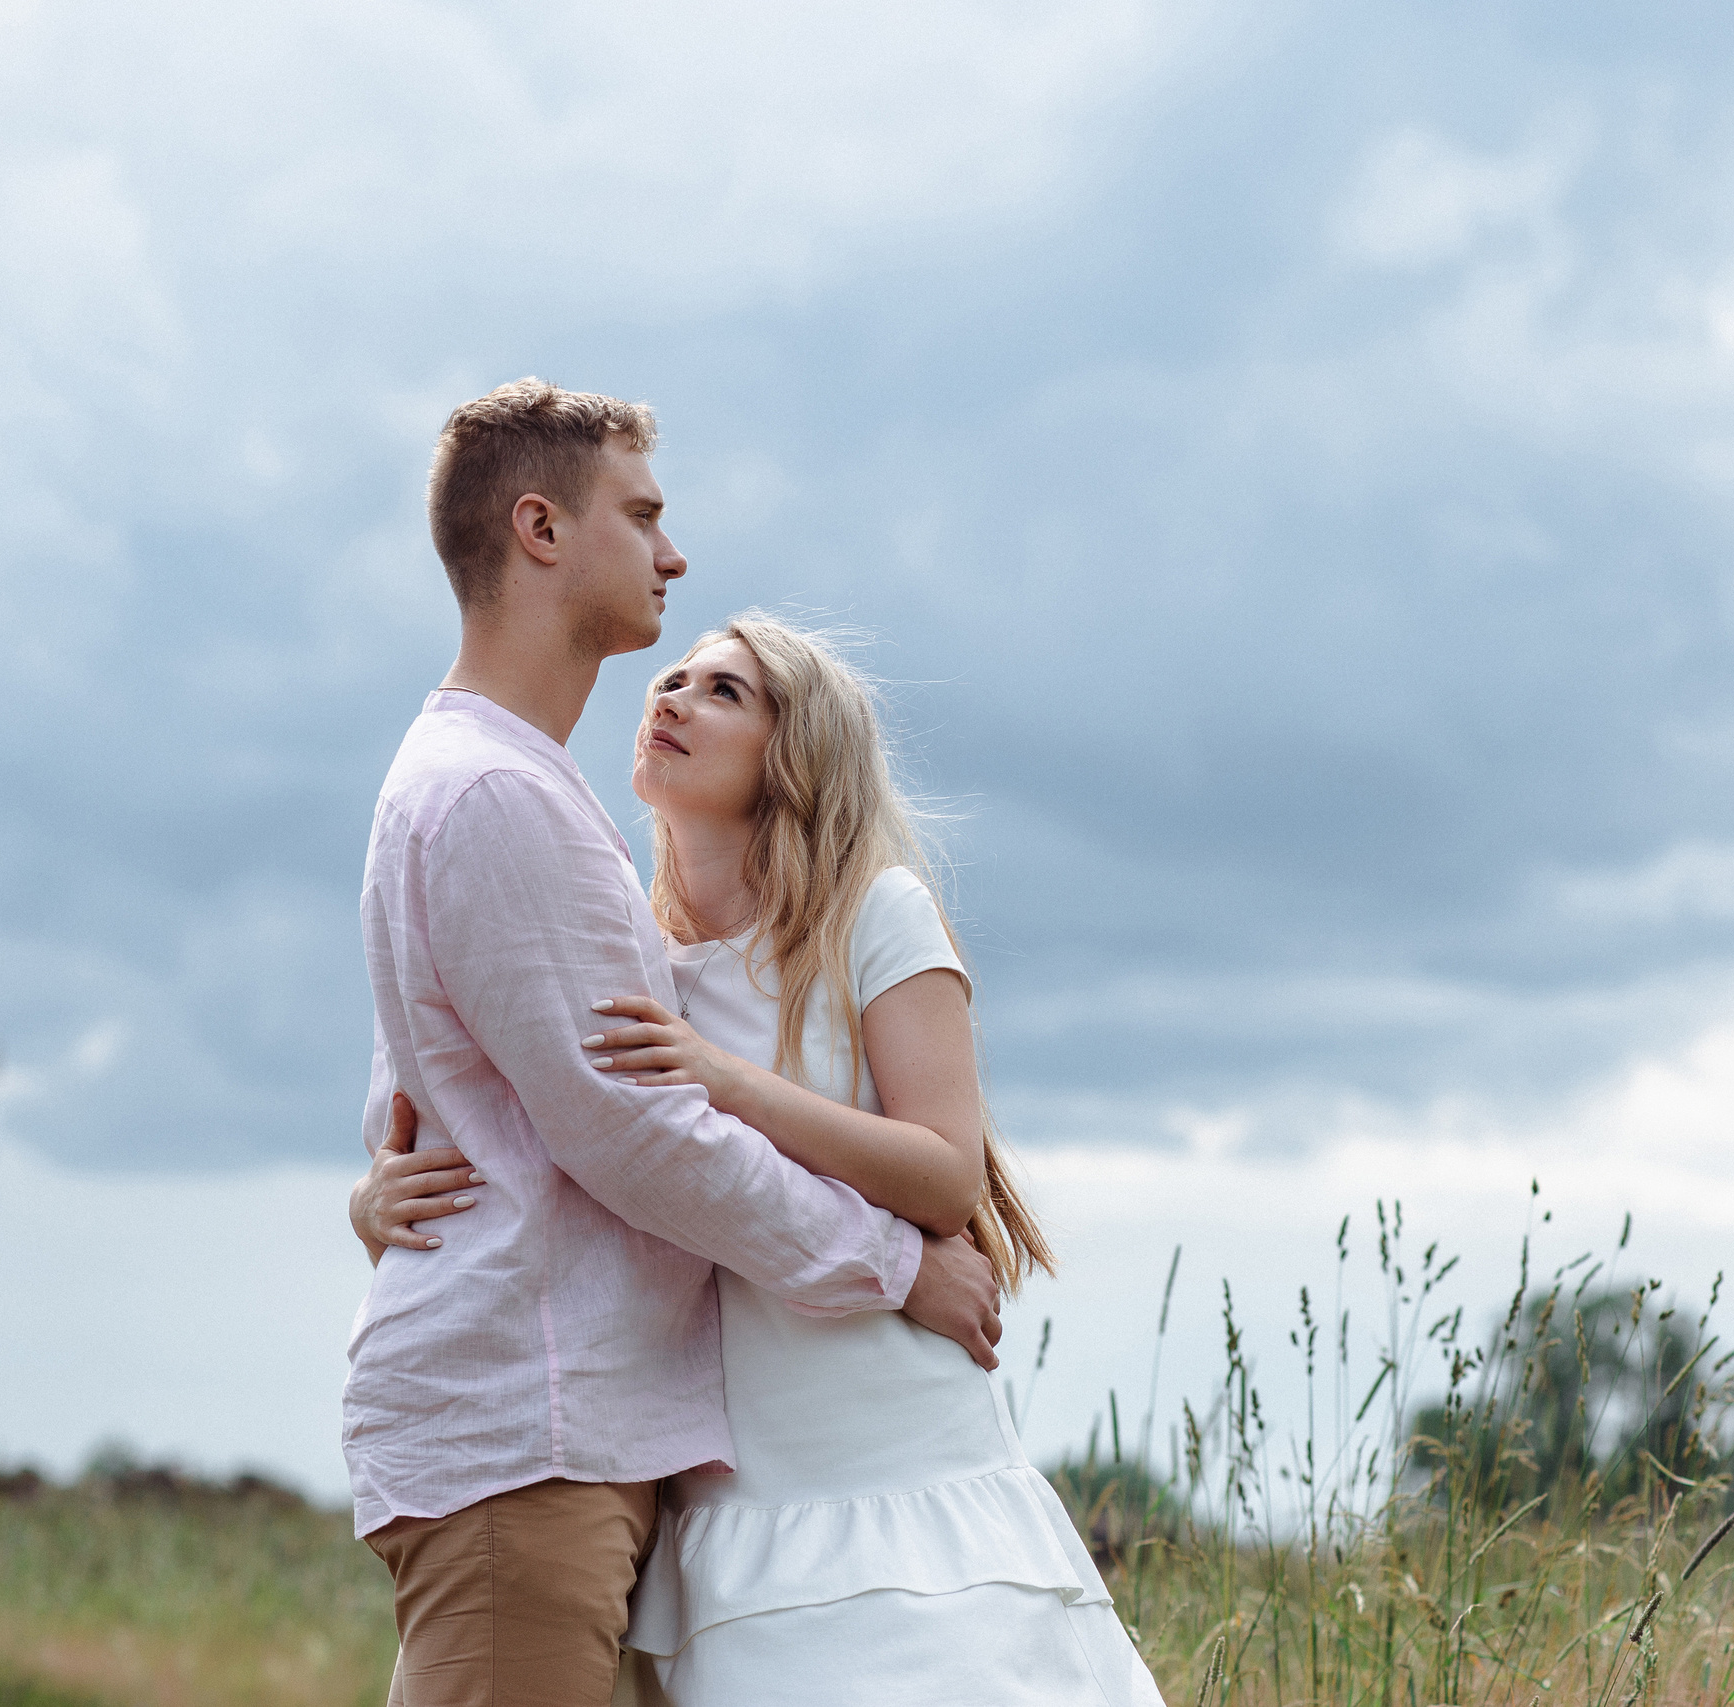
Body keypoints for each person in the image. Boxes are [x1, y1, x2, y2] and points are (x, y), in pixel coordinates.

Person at [356, 615, 1165, 1705]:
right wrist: (376, 1199)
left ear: (797, 753)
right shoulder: (633, 951)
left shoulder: (874, 914)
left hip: (892, 1453)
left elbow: (945, 1175)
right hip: (725, 1496)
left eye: (724, 691)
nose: (672, 697)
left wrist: (726, 1081)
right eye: (674, 679)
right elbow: (513, 1112)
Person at [346, 380, 1004, 1707]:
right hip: (529, 1437)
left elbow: (429, 1088)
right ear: (541, 528)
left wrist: (381, 1177)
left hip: (605, 1447)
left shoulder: (507, 786)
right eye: (642, 514)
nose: (673, 550)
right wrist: (897, 1264)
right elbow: (634, 1129)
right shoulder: (497, 793)